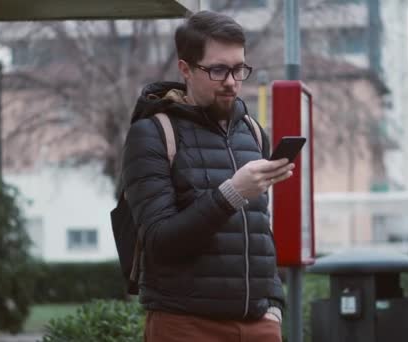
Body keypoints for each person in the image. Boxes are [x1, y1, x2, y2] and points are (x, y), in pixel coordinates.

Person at [121, 10, 293, 342]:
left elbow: (260, 232)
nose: (231, 81)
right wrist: (231, 193)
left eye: (239, 68)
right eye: (217, 70)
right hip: (186, 326)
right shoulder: (153, 134)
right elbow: (160, 242)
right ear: (185, 68)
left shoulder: (254, 133)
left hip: (259, 325)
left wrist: (273, 304)